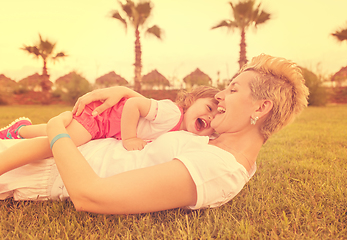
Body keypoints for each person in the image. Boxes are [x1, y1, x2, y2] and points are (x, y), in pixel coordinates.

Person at [0, 54, 309, 215]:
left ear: (261, 107)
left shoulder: (218, 168)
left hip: (44, 168)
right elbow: (166, 122)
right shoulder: (218, 141)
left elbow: (89, 194)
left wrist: (56, 130)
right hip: (57, 152)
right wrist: (125, 94)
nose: (220, 97)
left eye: (233, 89)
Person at [0, 86, 219, 175]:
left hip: (103, 125)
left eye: (215, 119)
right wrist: (130, 137)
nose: (209, 117)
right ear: (191, 100)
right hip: (100, 118)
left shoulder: (183, 132)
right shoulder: (172, 113)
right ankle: (15, 146)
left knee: (64, 132)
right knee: (62, 142)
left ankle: (20, 131)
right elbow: (134, 105)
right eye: (209, 108)